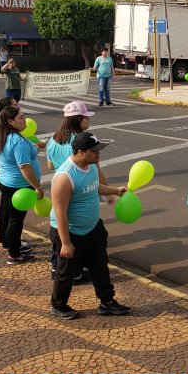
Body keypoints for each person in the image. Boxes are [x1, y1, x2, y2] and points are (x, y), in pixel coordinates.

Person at [49, 132, 130, 320]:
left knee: (100, 266)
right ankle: (58, 305)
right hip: (70, 232)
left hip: (93, 228)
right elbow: (60, 213)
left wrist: (116, 190)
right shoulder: (64, 177)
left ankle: (107, 302)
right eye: (94, 151)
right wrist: (66, 243)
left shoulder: (90, 166)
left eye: (98, 150)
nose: (98, 154)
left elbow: (95, 186)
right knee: (66, 272)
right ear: (80, 152)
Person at [47, 100, 110, 282]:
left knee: (60, 228)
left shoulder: (53, 140)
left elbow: (51, 165)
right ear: (78, 119)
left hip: (62, 189)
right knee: (77, 240)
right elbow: (96, 171)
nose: (88, 121)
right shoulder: (83, 143)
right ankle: (72, 275)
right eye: (86, 118)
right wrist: (105, 194)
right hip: (80, 191)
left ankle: (56, 267)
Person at [0, 106, 43, 265]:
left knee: (9, 217)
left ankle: (10, 244)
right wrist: (37, 187)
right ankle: (14, 255)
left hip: (5, 181)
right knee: (16, 220)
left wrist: (33, 147)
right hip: (18, 186)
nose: (25, 120)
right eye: (21, 117)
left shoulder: (3, 135)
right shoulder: (18, 141)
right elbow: (24, 167)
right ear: (10, 121)